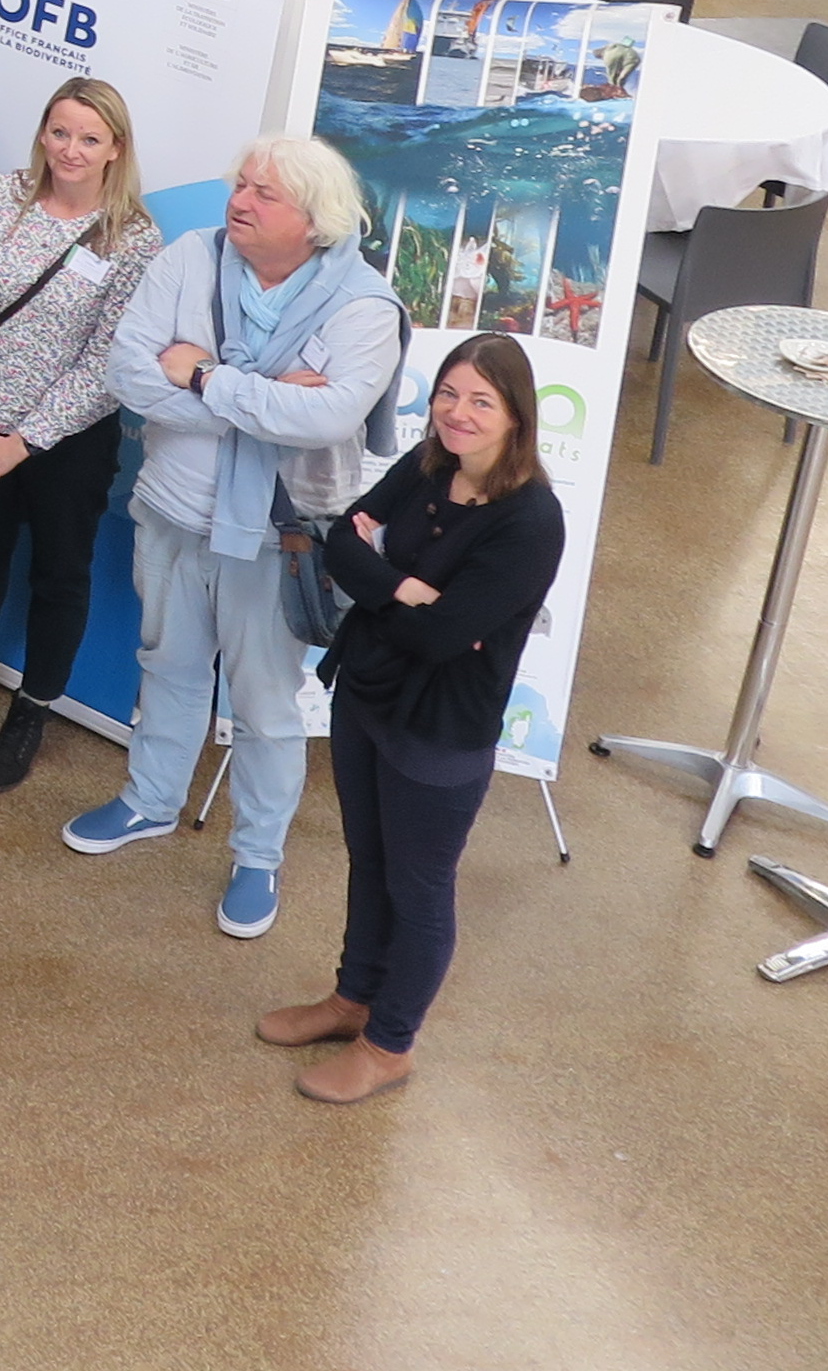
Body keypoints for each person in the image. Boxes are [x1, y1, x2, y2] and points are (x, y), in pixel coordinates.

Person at [79, 135, 409, 939]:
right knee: (169, 666)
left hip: (280, 537)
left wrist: (198, 375)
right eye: (242, 184)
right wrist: (262, 401)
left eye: (266, 194)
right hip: (169, 507)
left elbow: (326, 419)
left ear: (316, 222)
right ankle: (151, 801)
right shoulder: (189, 258)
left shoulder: (365, 307)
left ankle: (258, 856)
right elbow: (125, 374)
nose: (241, 201)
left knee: (265, 707)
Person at [261, 334, 565, 1104]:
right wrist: (405, 589)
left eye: (481, 402)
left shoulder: (530, 521)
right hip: (367, 692)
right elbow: (340, 541)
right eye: (448, 394)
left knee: (420, 885)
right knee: (368, 858)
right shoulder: (428, 464)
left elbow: (442, 637)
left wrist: (383, 577)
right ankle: (351, 999)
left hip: (440, 726)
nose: (457, 414)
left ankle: (390, 1044)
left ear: (517, 418)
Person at [0, 76, 161, 791]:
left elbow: (111, 362)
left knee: (60, 574)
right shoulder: (0, 195)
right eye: (60, 131)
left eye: (88, 138)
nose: (70, 150)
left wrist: (20, 442)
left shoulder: (134, 239)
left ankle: (30, 713)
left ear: (115, 149)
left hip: (66, 445)